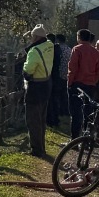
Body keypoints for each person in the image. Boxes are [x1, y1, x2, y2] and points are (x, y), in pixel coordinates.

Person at [22, 24, 56, 157]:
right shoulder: (50, 46)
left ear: (36, 37)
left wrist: (25, 69)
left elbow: (28, 71)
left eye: (32, 37)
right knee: (41, 119)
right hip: (47, 84)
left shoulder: (35, 51)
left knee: (32, 120)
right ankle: (41, 146)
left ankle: (37, 150)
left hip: (35, 87)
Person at [65, 28, 99, 135]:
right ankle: (87, 137)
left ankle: (75, 138)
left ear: (79, 38)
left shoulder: (77, 49)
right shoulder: (96, 52)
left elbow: (72, 68)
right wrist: (93, 81)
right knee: (88, 112)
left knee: (76, 113)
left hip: (77, 84)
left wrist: (69, 83)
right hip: (90, 85)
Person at [45, 33, 70, 132]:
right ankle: (63, 114)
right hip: (66, 77)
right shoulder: (69, 49)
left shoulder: (56, 49)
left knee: (54, 99)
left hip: (57, 77)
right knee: (63, 98)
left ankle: (53, 119)